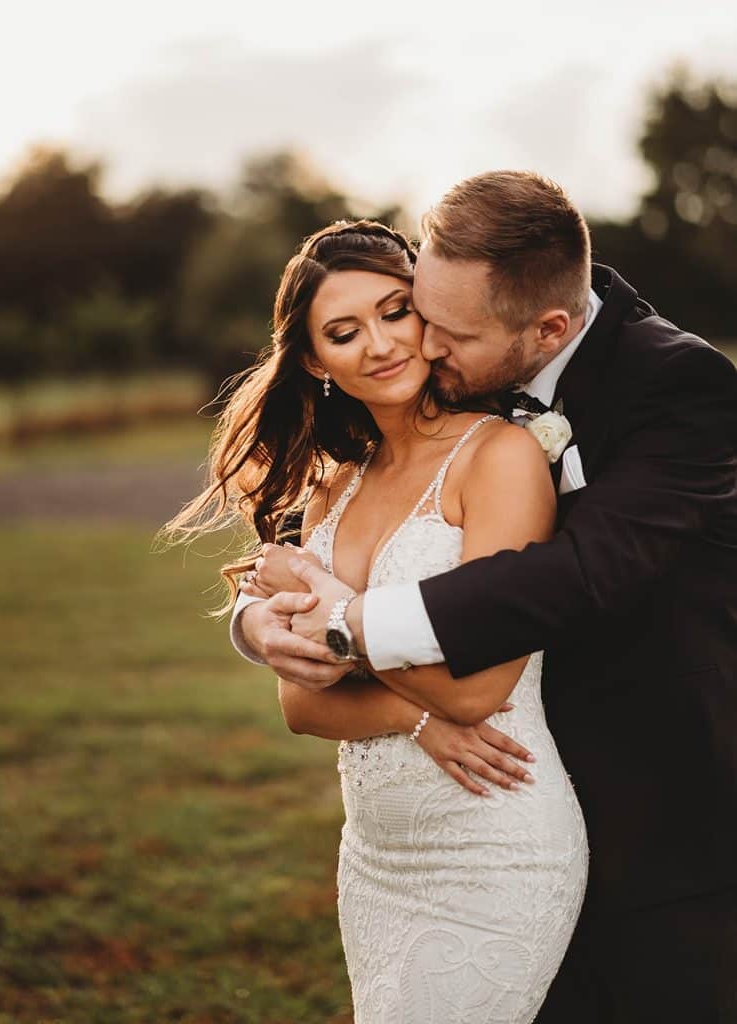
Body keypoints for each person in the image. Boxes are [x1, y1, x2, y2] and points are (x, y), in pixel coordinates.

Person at [237, 172, 737, 1023]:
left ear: (548, 330)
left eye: (430, 325)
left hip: (662, 802)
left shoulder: (673, 386)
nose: (420, 346)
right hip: (412, 839)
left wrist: (337, 617)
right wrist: (258, 623)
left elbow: (573, 578)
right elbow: (300, 686)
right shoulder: (475, 365)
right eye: (412, 312)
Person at [170, 218, 589, 1023]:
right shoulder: (332, 493)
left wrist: (334, 612)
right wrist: (413, 717)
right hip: (376, 858)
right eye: (342, 331)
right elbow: (301, 707)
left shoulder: (499, 457)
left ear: (427, 315)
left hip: (495, 843)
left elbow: (482, 690)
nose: (380, 343)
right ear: (313, 361)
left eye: (395, 311)